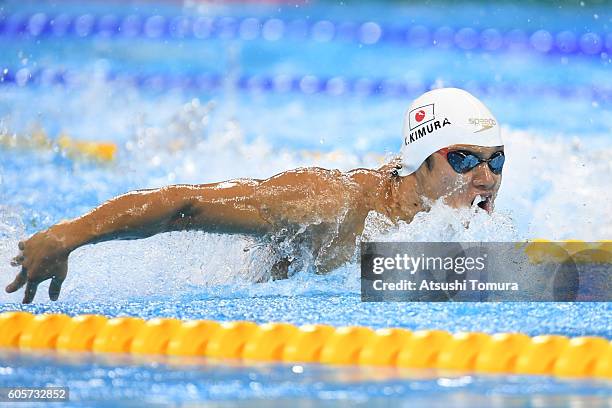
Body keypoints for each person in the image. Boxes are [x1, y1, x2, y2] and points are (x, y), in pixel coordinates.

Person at [6, 87, 505, 303]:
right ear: (420, 160)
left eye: (495, 159)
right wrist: (66, 235)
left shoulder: (433, 223)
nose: (485, 176)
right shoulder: (334, 203)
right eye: (464, 158)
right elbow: (188, 203)